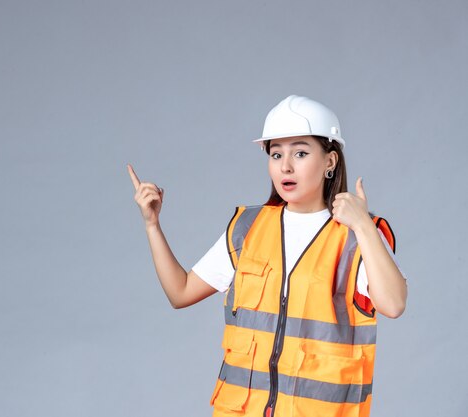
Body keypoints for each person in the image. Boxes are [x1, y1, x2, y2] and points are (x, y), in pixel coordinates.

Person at [127, 94, 407, 417]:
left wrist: (363, 225)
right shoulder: (248, 228)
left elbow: (394, 304)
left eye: (300, 153)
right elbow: (180, 292)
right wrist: (152, 226)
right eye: (276, 154)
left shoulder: (357, 236)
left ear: (330, 161)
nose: (285, 166)